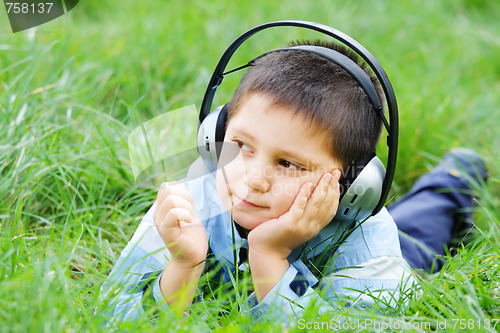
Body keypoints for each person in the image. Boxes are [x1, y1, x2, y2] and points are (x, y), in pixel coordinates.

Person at [97, 38, 487, 325]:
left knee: (421, 228)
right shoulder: (189, 205)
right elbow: (110, 317)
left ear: (353, 185)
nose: (253, 180)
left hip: (381, 251)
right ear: (213, 137)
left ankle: (456, 176)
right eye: (241, 145)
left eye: (288, 163)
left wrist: (270, 261)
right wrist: (183, 264)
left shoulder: (368, 248)